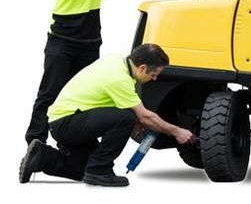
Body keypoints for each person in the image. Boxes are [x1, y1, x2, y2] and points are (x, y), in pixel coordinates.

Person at [25, 0, 139, 145]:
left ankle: (78, 147)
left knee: (87, 94)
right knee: (50, 93)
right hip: (63, 38)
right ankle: (35, 143)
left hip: (90, 38)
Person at [19, 44, 196, 187]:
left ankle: (41, 157)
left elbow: (112, 101)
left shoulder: (116, 61)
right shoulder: (119, 79)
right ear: (142, 68)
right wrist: (177, 132)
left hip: (66, 121)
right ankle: (100, 169)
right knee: (127, 118)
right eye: (153, 74)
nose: (154, 79)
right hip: (66, 123)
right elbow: (145, 117)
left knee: (83, 171)